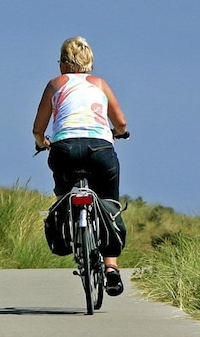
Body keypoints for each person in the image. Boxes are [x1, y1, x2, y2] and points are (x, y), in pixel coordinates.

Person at [31, 35, 129, 296]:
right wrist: (118, 132)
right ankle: (111, 267)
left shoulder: (55, 84)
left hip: (64, 149)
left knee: (64, 194)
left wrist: (42, 142)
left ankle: (68, 229)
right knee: (109, 202)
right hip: (100, 149)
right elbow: (121, 122)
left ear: (63, 63)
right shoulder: (100, 84)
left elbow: (38, 128)